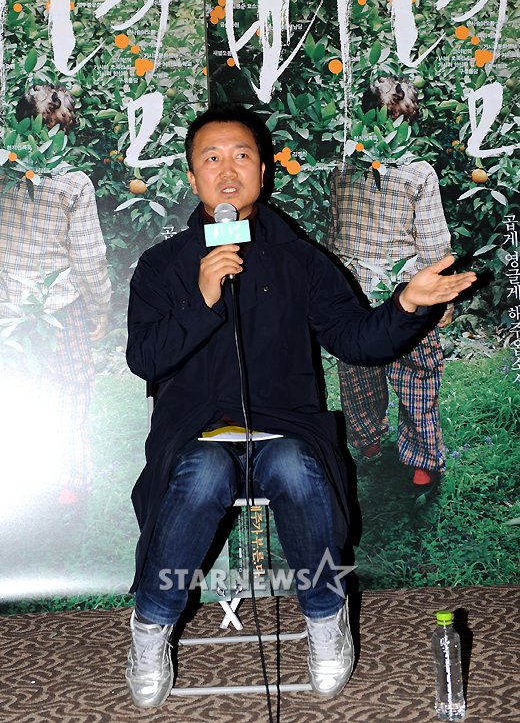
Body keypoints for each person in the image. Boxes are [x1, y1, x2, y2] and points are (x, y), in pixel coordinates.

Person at [125, 105, 475, 707]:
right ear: (191, 176)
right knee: (203, 471)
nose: (227, 171)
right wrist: (203, 298)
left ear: (262, 172)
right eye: (212, 158)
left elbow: (357, 340)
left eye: (241, 156)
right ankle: (150, 628)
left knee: (292, 462)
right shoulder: (163, 266)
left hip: (285, 427)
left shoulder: (300, 259)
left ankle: (325, 616)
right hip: (196, 434)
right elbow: (145, 359)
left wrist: (407, 305)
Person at [327, 76, 453, 490]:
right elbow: (433, 242)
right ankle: (421, 460)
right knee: (417, 373)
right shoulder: (418, 174)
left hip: (351, 289)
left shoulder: (341, 167)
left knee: (358, 369)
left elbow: (333, 232)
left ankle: (367, 440)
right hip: (405, 293)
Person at [0, 84, 111, 504]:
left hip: (8, 305)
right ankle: (69, 480)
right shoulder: (73, 183)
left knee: (17, 384)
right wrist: (100, 308)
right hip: (60, 308)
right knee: (71, 387)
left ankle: (20, 477)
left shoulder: (4, 172)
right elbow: (88, 257)